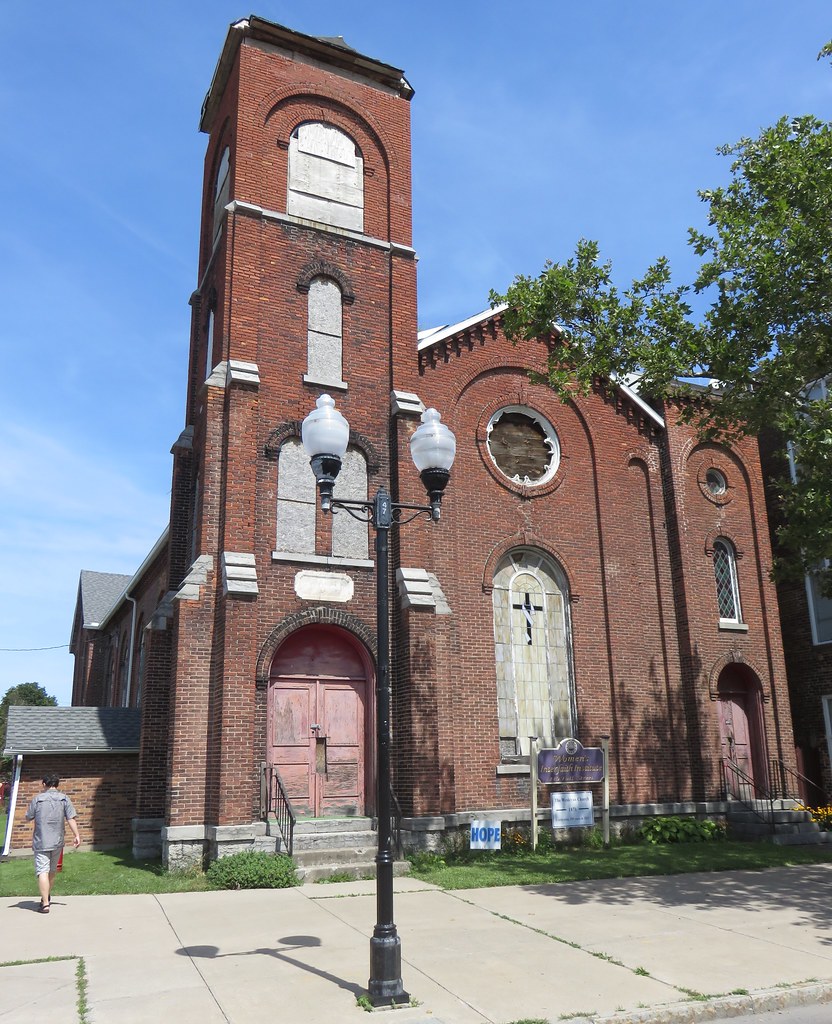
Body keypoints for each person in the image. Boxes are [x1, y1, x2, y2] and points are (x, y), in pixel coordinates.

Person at [24, 774, 81, 913]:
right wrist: (77, 835)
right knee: (52, 871)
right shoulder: (64, 798)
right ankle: (46, 897)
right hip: (57, 841)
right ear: (57, 784)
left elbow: (28, 816)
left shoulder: (37, 799)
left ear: (44, 784)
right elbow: (71, 818)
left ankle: (45, 904)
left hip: (41, 841)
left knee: (42, 871)